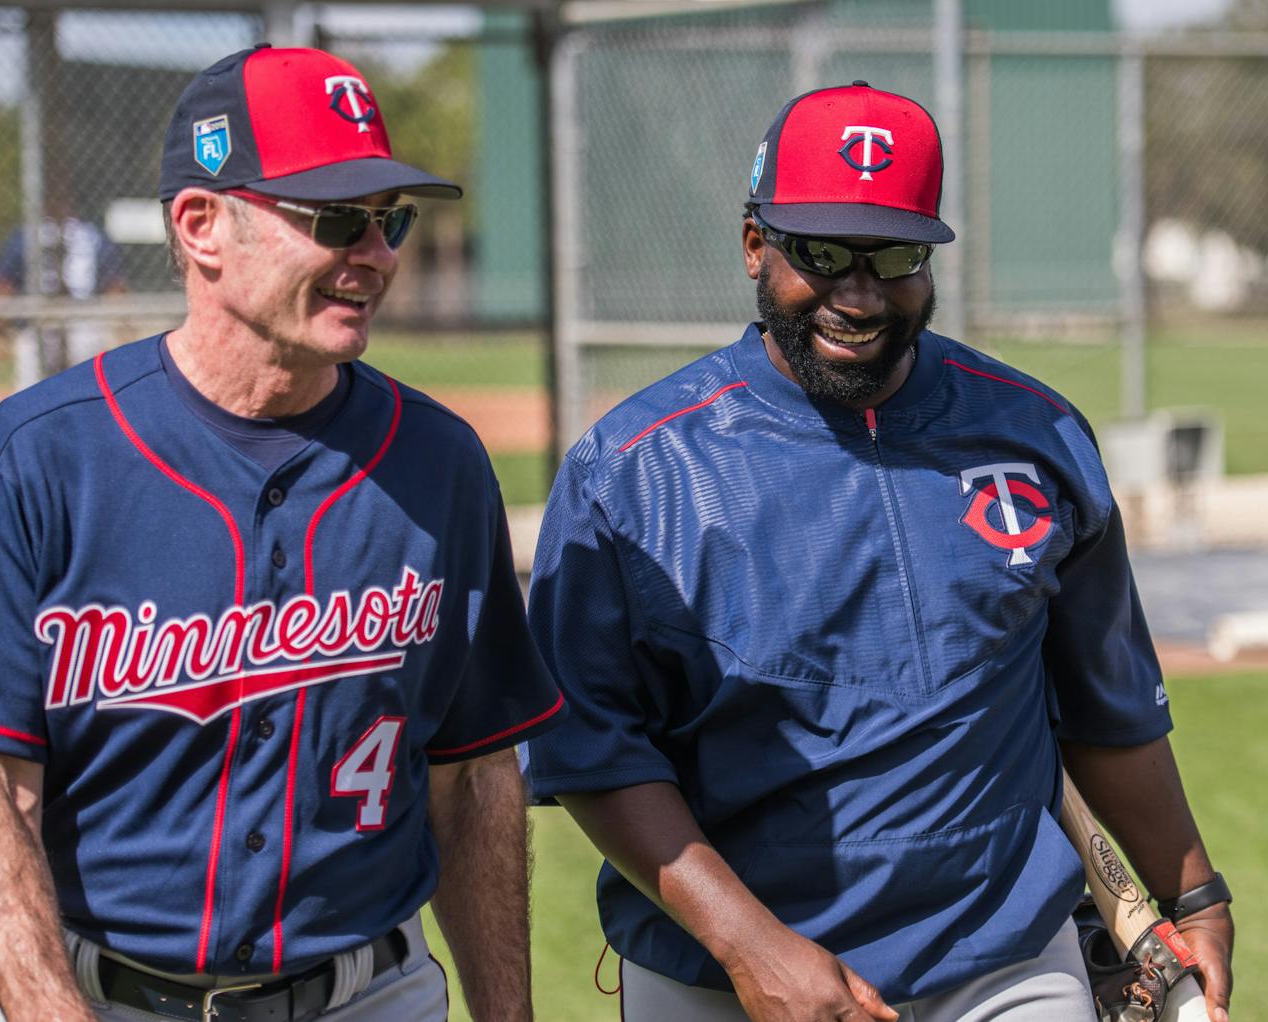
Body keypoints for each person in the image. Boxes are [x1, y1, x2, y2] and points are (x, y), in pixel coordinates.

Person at [0, 46, 564, 1022]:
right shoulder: (41, 455)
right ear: (202, 227)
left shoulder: (440, 462)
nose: (378, 251)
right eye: (336, 218)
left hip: (371, 991)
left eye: (389, 219)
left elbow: (476, 778)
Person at [524, 82, 1233, 1022]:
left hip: (1005, 964)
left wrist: (1192, 890)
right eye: (821, 253)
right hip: (722, 981)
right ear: (753, 246)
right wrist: (752, 949)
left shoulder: (1037, 433)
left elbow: (1107, 707)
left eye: (893, 255)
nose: (857, 295)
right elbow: (591, 750)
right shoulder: (633, 469)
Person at [0, 196, 127, 389]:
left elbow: (3, 286)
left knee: (31, 401)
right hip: (84, 325)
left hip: (39, 324)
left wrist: (0, 333)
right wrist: (120, 331)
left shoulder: (25, 235)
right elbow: (115, 288)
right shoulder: (92, 234)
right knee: (87, 397)